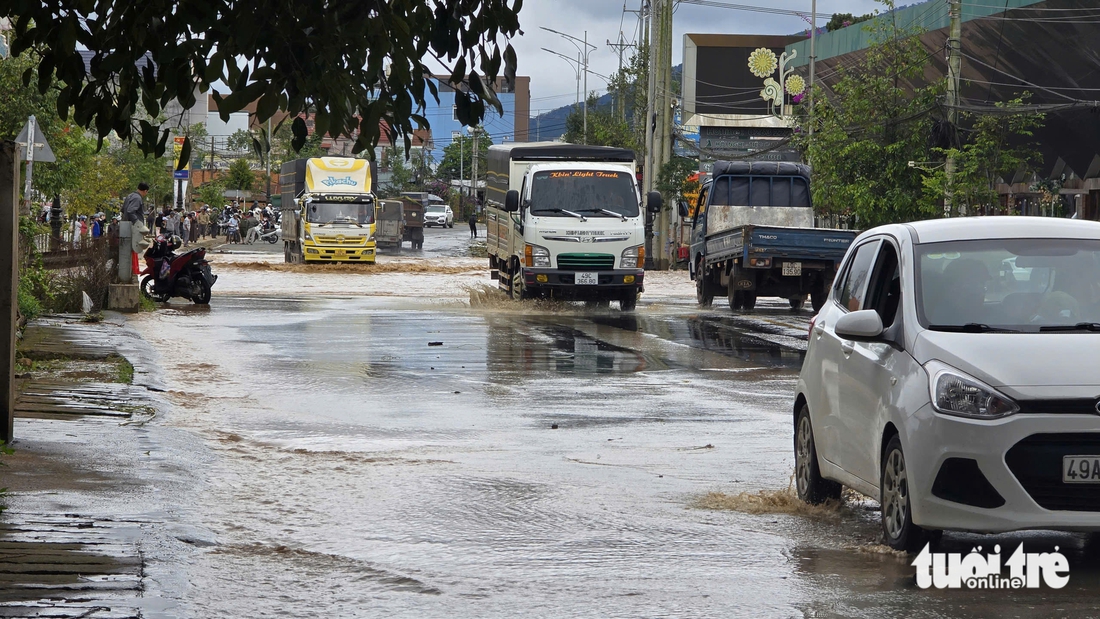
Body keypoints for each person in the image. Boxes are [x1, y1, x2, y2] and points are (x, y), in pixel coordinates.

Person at [121, 181, 153, 254]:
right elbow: (130, 211)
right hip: (133, 227)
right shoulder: (137, 198)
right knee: (132, 249)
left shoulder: (129, 196)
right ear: (145, 191)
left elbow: (123, 210)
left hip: (125, 225)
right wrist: (137, 222)